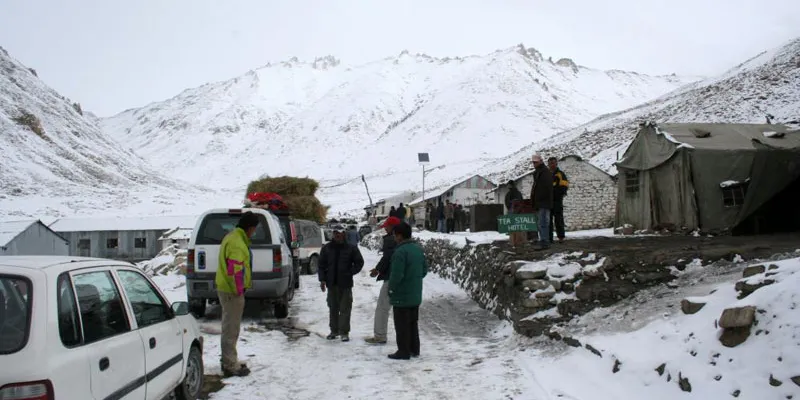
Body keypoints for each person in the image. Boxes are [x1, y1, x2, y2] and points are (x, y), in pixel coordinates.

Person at [215, 211, 259, 377]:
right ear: (250, 228)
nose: (254, 232)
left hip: (226, 288)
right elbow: (235, 270)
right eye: (254, 229)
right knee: (231, 328)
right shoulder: (237, 243)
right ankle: (229, 365)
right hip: (231, 291)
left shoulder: (232, 237)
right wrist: (239, 290)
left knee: (229, 327)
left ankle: (228, 360)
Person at [387, 222, 428, 360]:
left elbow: (396, 275)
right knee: (412, 323)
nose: (394, 238)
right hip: (415, 294)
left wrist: (391, 289)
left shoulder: (400, 252)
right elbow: (424, 271)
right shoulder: (418, 249)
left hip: (402, 296)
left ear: (399, 236)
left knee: (401, 325)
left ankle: (403, 351)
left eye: (395, 235)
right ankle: (414, 349)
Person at [318, 225, 365, 342]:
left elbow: (359, 262)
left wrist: (350, 272)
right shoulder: (327, 248)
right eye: (335, 233)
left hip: (346, 284)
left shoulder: (351, 248)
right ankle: (334, 331)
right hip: (331, 283)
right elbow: (321, 265)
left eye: (339, 233)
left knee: (345, 308)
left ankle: (344, 332)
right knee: (333, 308)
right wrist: (322, 280)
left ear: (344, 234)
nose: (337, 235)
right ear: (333, 234)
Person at [365, 216, 401, 344]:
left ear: (393, 227)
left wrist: (377, 270)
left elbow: (387, 258)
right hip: (400, 278)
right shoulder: (404, 240)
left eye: (387, 226)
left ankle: (380, 335)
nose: (385, 228)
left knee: (382, 307)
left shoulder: (390, 240)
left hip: (391, 278)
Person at [530, 154, 553, 250]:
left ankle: (544, 243)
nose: (534, 164)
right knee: (541, 223)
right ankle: (543, 241)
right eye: (533, 162)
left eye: (535, 162)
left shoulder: (544, 172)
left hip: (543, 202)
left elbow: (546, 188)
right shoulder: (540, 172)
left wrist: (539, 199)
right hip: (541, 202)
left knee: (543, 223)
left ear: (540, 161)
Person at [548, 157, 569, 243]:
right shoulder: (547, 175)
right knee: (548, 220)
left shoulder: (560, 174)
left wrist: (558, 195)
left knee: (558, 219)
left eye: (553, 163)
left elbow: (564, 187)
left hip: (557, 201)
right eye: (550, 163)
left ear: (556, 163)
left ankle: (561, 237)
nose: (551, 165)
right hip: (548, 201)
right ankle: (549, 238)